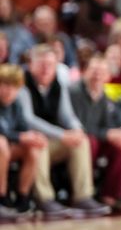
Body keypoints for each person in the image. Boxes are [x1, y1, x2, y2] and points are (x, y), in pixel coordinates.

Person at [16, 45, 110, 218]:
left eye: (50, 65)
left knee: (81, 141)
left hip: (51, 139)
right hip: (25, 140)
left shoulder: (58, 84)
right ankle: (44, 199)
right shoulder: (22, 84)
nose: (46, 69)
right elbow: (29, 120)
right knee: (40, 144)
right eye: (42, 64)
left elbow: (67, 115)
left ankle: (83, 196)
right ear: (31, 64)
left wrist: (77, 129)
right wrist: (62, 135)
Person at [69, 55, 121, 212]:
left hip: (94, 140)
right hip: (74, 141)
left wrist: (118, 133)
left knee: (119, 146)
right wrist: (109, 134)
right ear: (84, 72)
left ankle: (110, 197)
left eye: (102, 71)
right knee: (90, 142)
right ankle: (84, 195)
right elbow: (79, 127)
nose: (98, 75)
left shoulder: (103, 95)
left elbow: (107, 125)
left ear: (109, 76)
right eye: (94, 70)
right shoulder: (75, 92)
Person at [0, 64, 46, 220]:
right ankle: (2, 198)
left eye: (14, 86)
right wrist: (22, 137)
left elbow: (23, 128)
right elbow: (3, 132)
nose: (9, 91)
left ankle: (23, 198)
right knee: (1, 144)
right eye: (5, 85)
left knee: (33, 148)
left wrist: (33, 137)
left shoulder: (16, 104)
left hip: (7, 150)